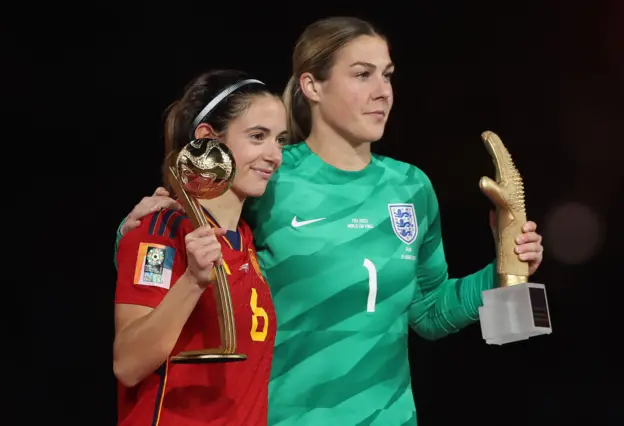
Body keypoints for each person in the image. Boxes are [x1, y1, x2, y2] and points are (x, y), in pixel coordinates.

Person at [116, 17, 544, 426]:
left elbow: (429, 314)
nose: (383, 92)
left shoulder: (411, 187)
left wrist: (505, 271)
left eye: (388, 75)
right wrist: (131, 232)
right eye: (362, 74)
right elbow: (188, 234)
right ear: (312, 85)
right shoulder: (269, 178)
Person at [113, 69, 287, 426]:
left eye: (280, 140)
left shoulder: (246, 240)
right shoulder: (161, 233)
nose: (274, 155)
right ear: (208, 139)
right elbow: (128, 364)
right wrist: (192, 281)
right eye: (258, 137)